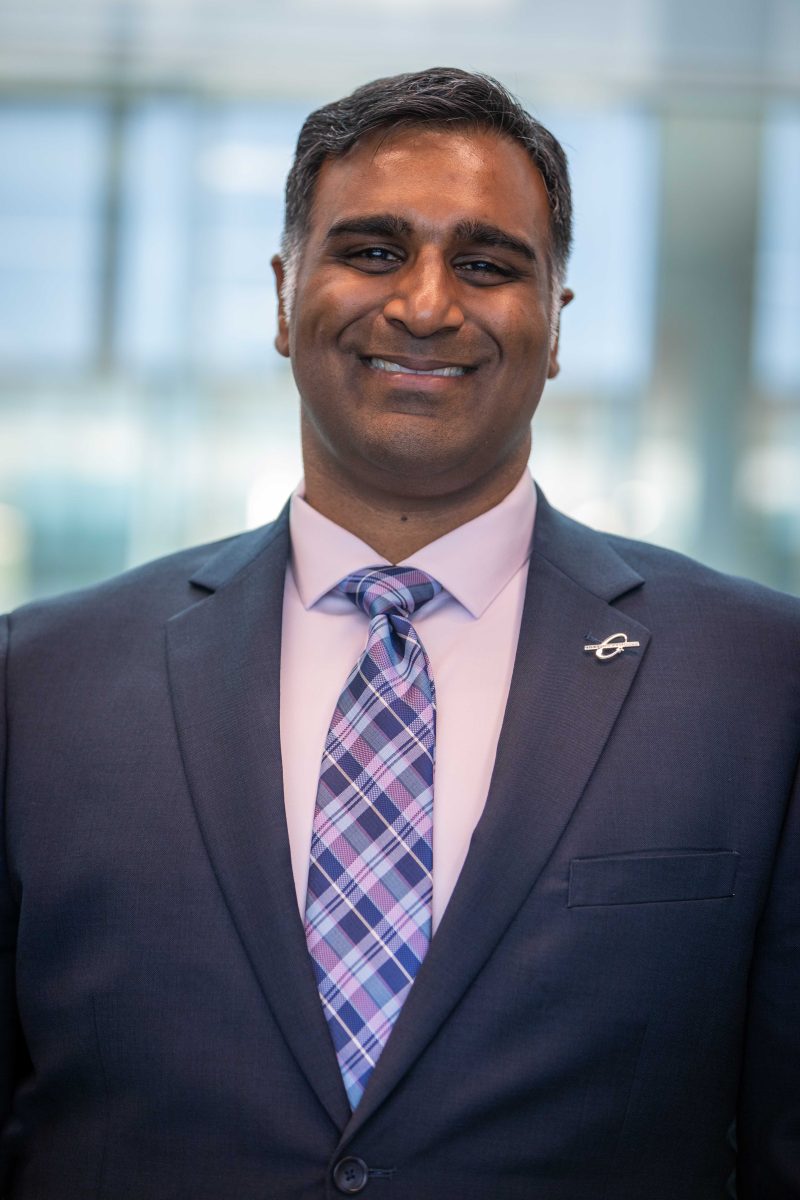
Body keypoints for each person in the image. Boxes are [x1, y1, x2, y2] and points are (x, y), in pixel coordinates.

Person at [0, 67, 798, 1200]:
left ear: (555, 323)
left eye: (485, 263)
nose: (425, 304)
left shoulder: (760, 684)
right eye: (372, 250)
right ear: (283, 298)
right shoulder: (39, 682)